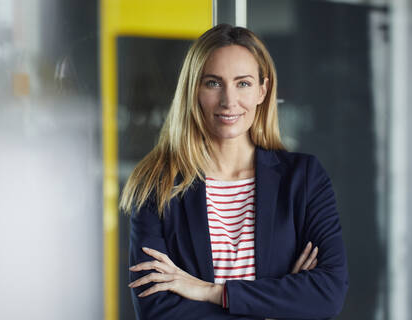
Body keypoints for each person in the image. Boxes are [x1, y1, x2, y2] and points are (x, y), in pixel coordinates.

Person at [120, 23, 348, 319]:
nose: (229, 101)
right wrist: (277, 303)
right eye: (213, 83)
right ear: (194, 90)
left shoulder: (303, 178)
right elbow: (158, 311)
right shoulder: (156, 183)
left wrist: (210, 291)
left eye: (243, 83)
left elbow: (327, 294)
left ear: (262, 90)